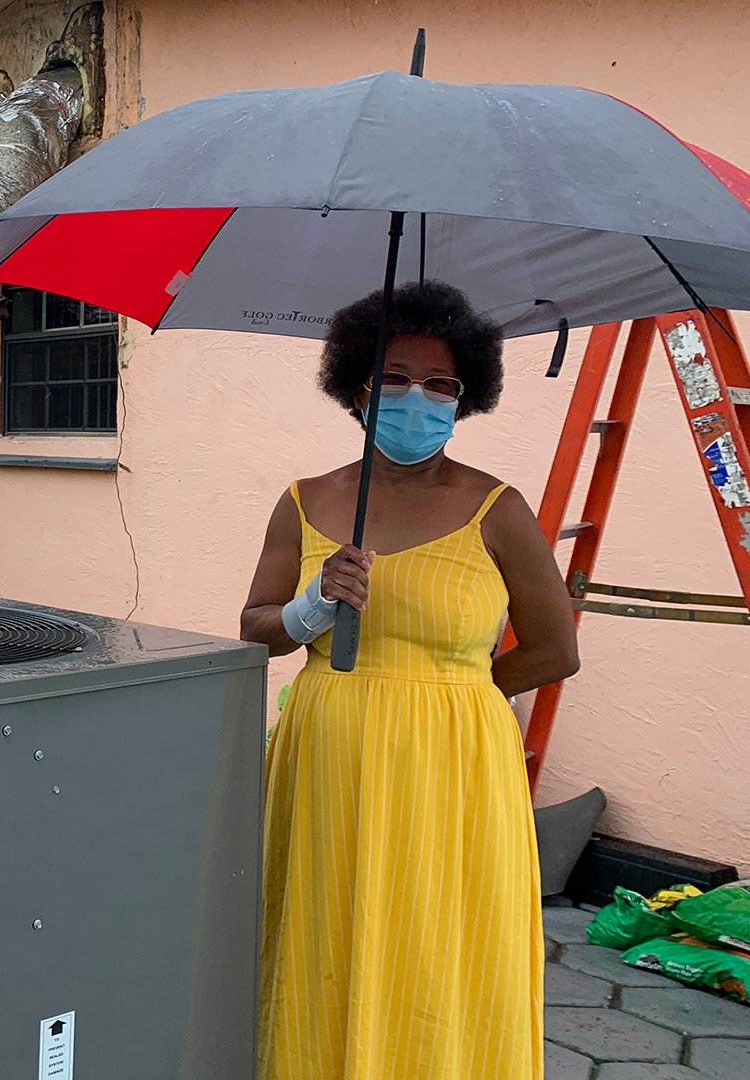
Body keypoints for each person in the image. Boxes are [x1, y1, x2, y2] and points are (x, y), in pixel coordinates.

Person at [240, 281, 580, 1080]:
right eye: (395, 377)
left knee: (436, 936)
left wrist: (458, 691)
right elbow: (255, 630)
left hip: (454, 763)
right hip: (330, 750)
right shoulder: (305, 502)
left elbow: (556, 649)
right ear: (357, 387)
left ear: (467, 399)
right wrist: (311, 609)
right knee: (327, 926)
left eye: (441, 384)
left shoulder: (498, 508)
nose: (416, 397)